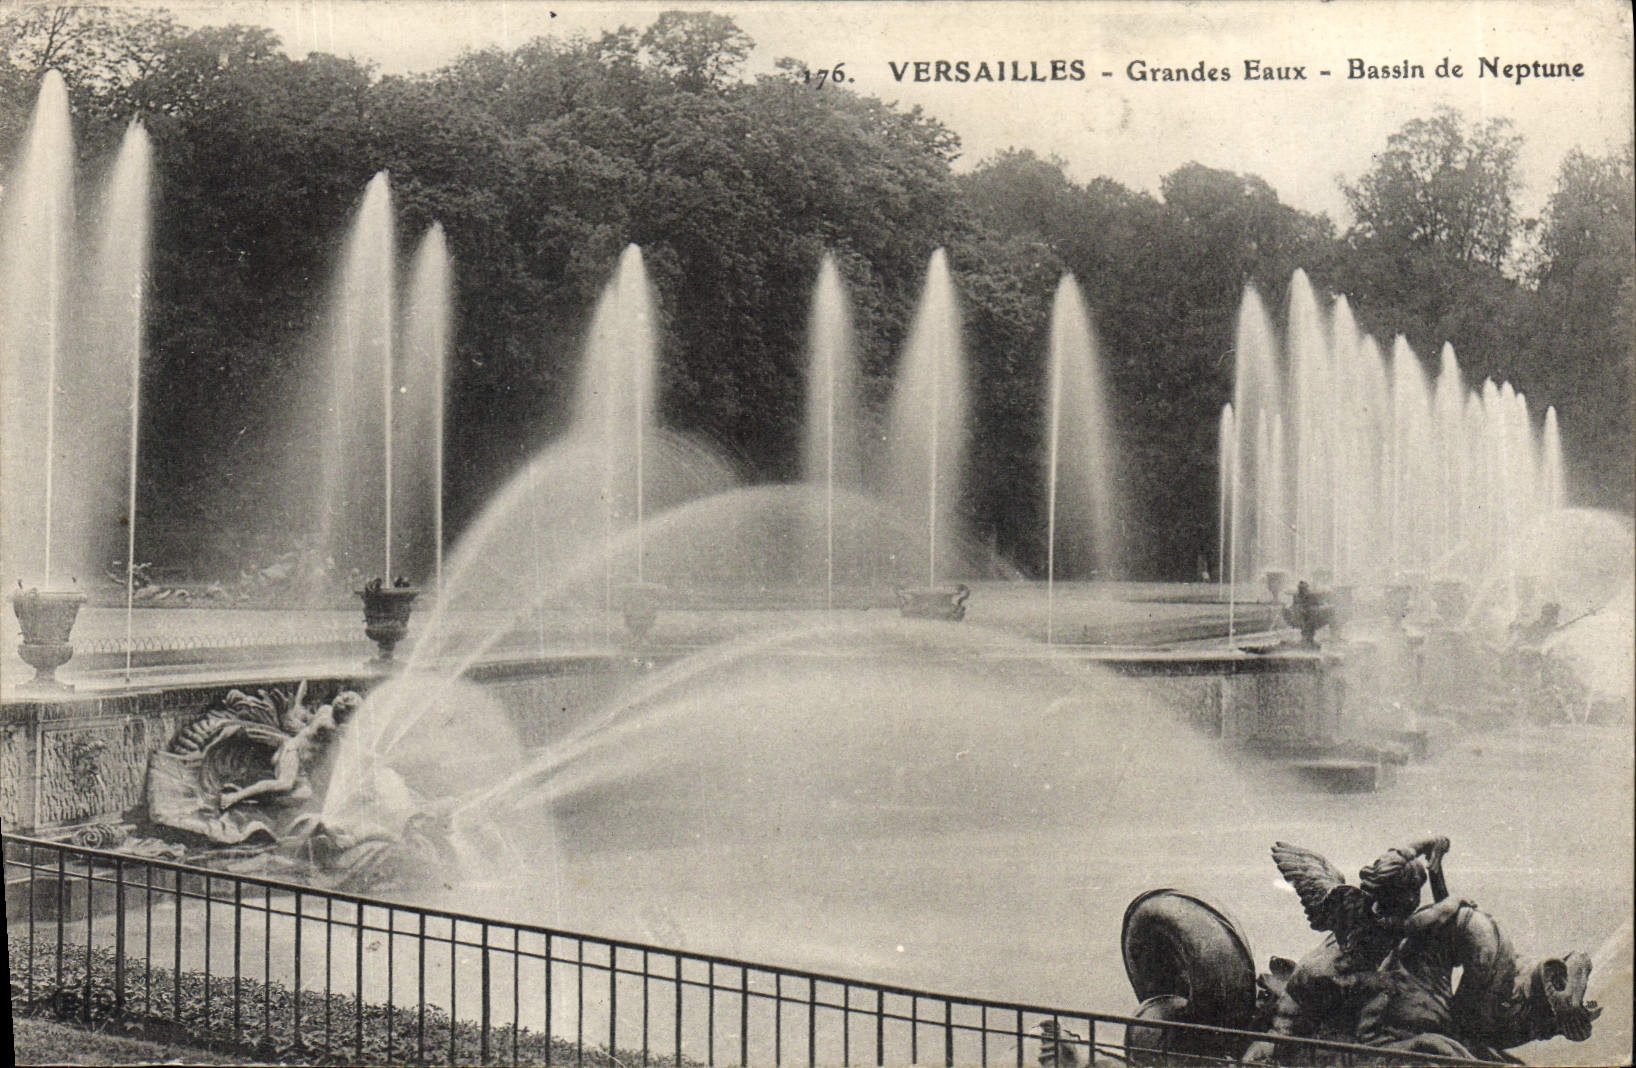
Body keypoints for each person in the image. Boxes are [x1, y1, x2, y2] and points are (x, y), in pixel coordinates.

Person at [220, 690, 361, 809]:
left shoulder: (326, 710)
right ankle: (233, 797)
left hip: (298, 761)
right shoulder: (329, 727)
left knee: (304, 794)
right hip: (292, 754)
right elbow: (348, 744)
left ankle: (252, 797)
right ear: (346, 715)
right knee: (285, 784)